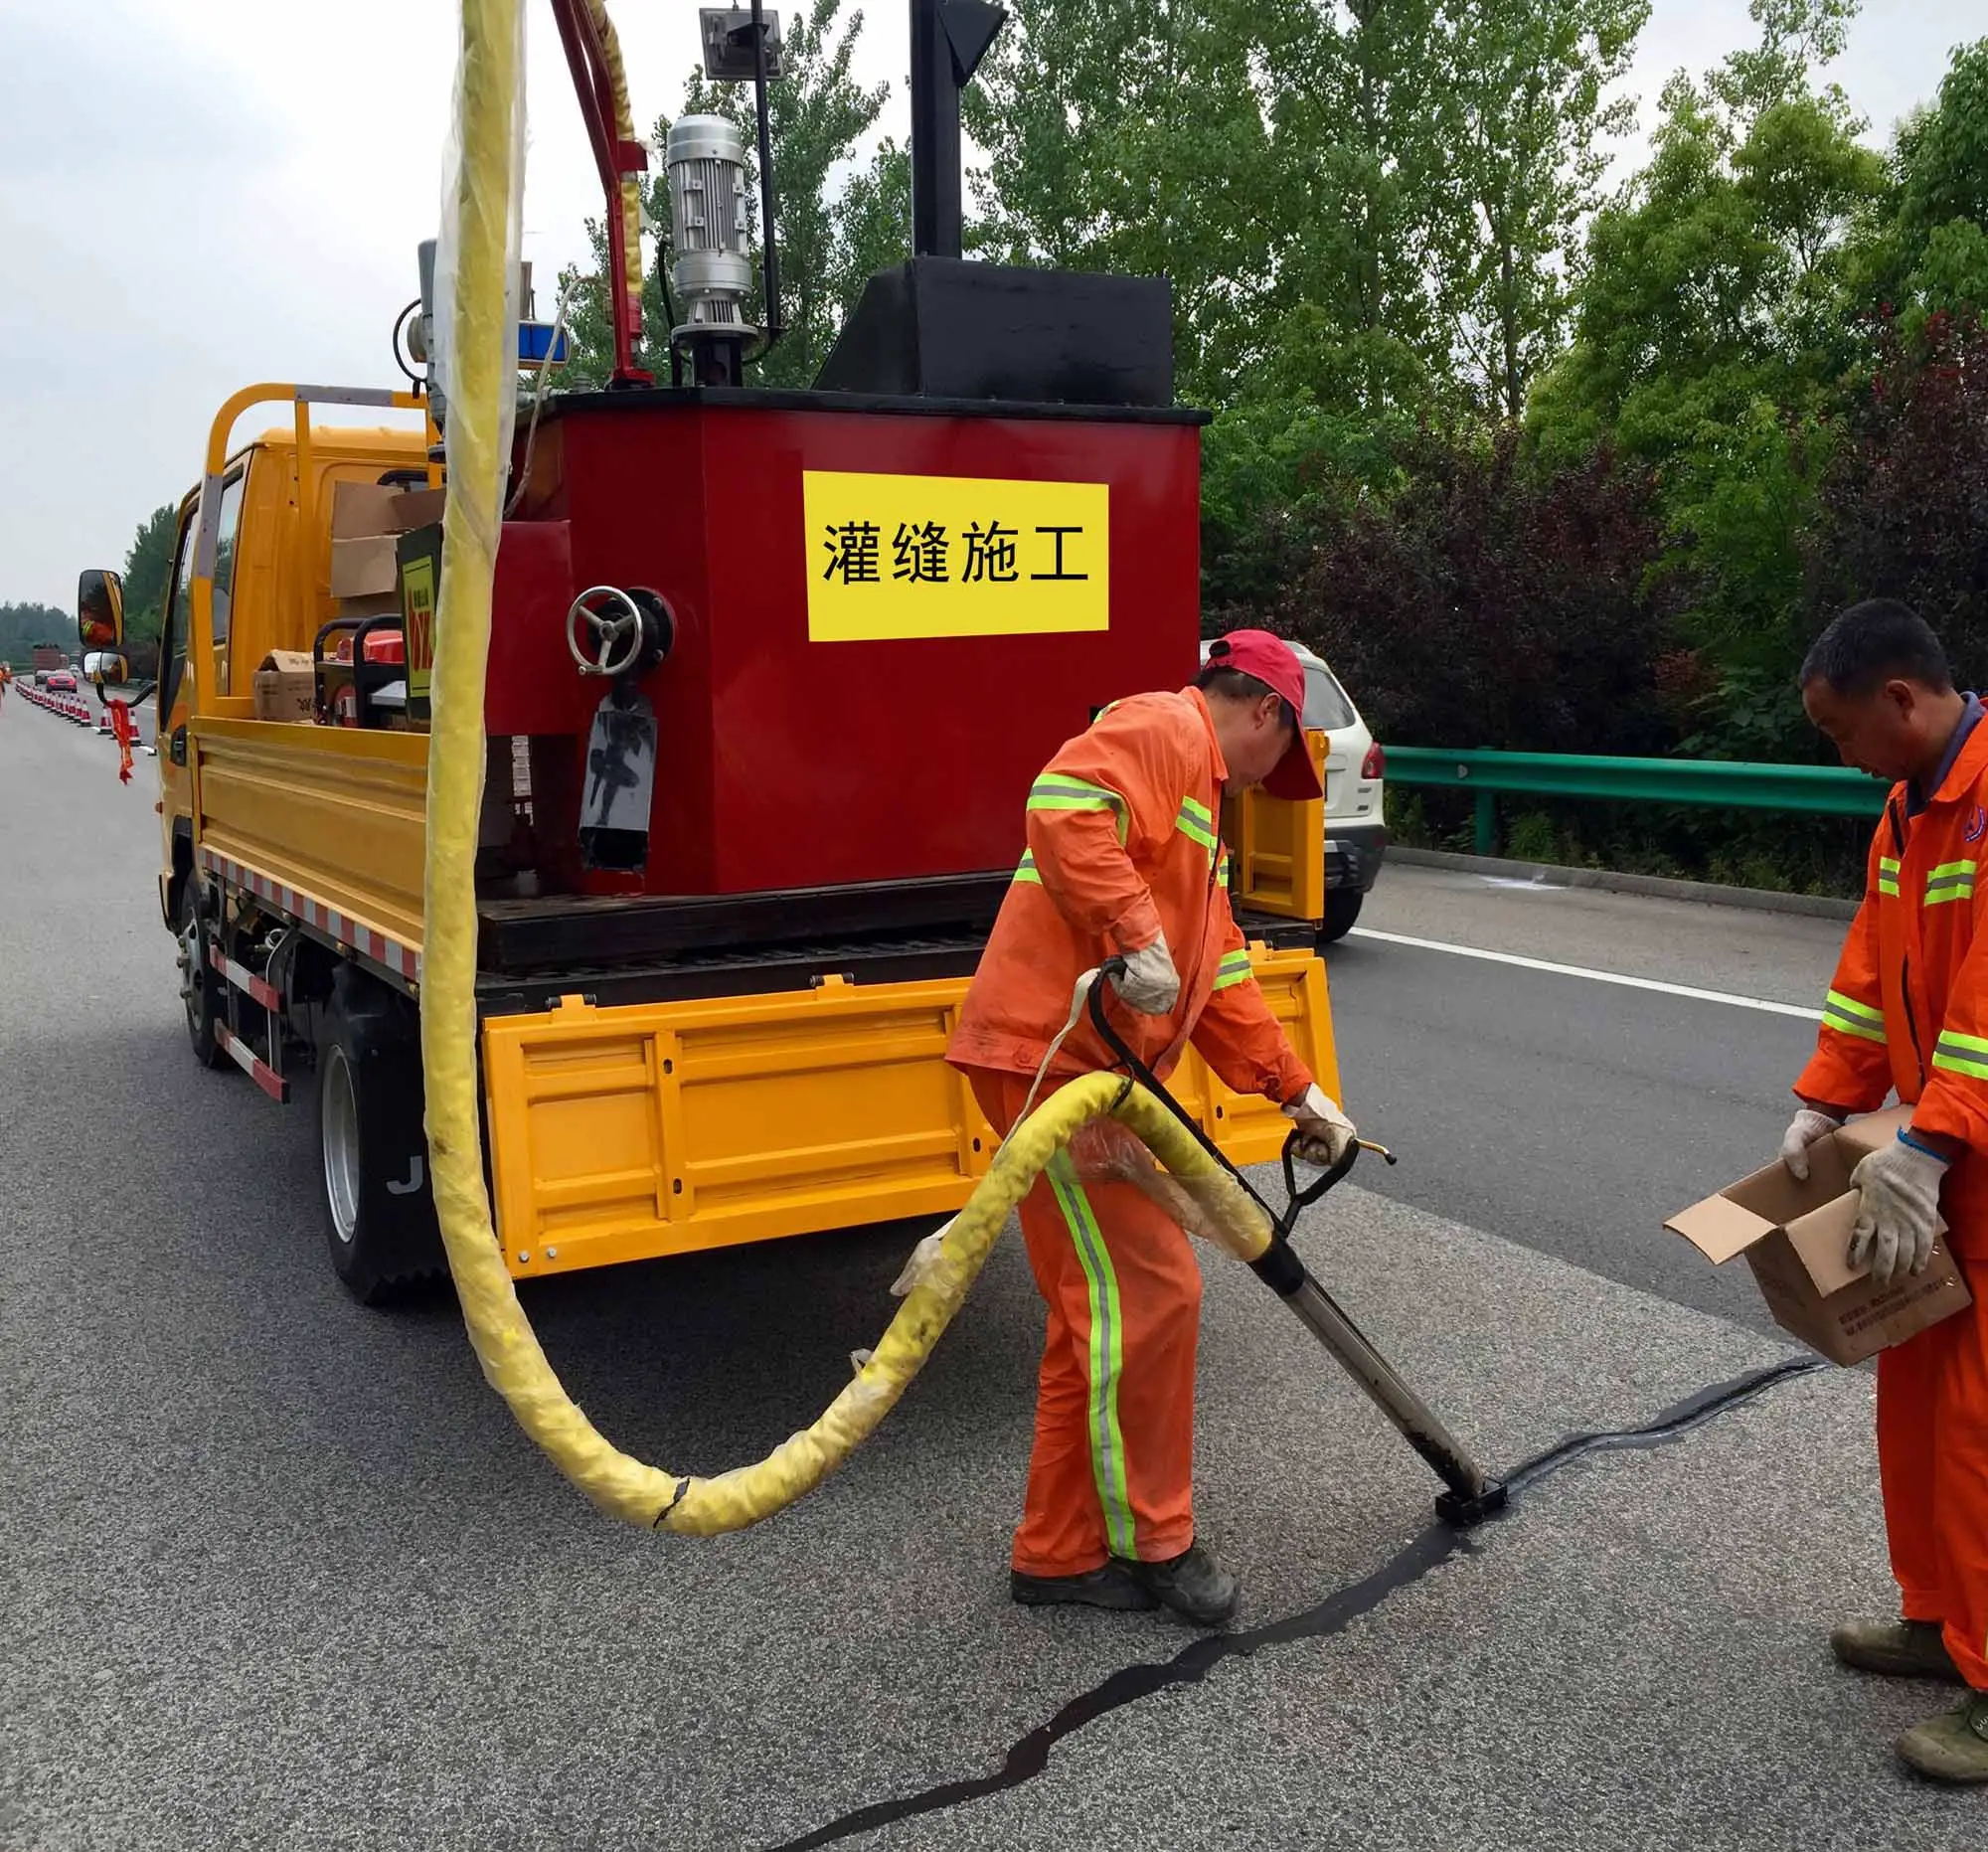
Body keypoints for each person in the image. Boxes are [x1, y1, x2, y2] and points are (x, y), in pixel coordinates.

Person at [947, 628, 1357, 1626]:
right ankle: (1152, 1544)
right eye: (1283, 751)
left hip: (1084, 1070)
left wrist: (1294, 1091)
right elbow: (1061, 803)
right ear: (1262, 709)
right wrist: (1135, 936)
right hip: (1056, 1066)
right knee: (1151, 1296)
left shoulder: (1202, 815)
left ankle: (1056, 1551)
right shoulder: (1165, 725)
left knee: (1102, 1308)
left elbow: (1214, 976)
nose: (1273, 780)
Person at [1782, 598, 1988, 1783]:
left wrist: (1931, 1144)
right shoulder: (1906, 812)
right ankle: (1940, 1619)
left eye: (1838, 729)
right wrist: (1826, 1095)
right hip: (1940, 1172)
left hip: (1956, 1159)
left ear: (1900, 700)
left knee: (1978, 1431)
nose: (1838, 752)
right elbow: (1871, 972)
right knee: (1916, 1412)